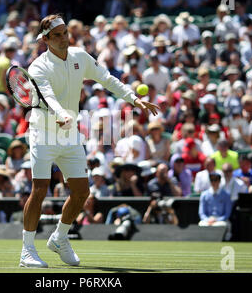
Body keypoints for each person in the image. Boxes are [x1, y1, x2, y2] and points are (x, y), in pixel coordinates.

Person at [19, 14, 159, 268]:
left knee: (82, 191)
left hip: (70, 134)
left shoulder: (80, 57)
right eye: (58, 35)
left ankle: (59, 238)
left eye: (65, 33)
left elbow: (106, 78)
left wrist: (132, 98)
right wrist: (62, 114)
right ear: (46, 39)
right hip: (43, 133)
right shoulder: (37, 68)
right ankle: (27, 250)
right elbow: (48, 97)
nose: (64, 38)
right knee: (39, 189)